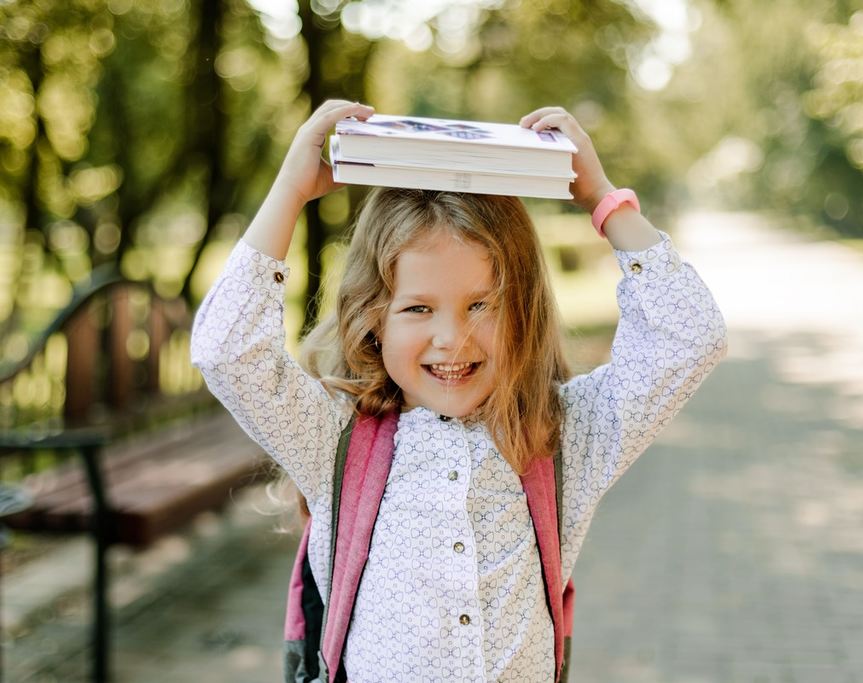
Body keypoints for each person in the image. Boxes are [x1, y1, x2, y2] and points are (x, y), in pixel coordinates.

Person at [190, 100, 727, 682]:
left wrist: (603, 199)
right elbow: (226, 351)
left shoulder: (565, 435)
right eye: (418, 308)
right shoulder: (334, 440)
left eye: (482, 304)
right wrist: (290, 192)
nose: (453, 338)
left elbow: (689, 337)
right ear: (374, 318)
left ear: (524, 311)